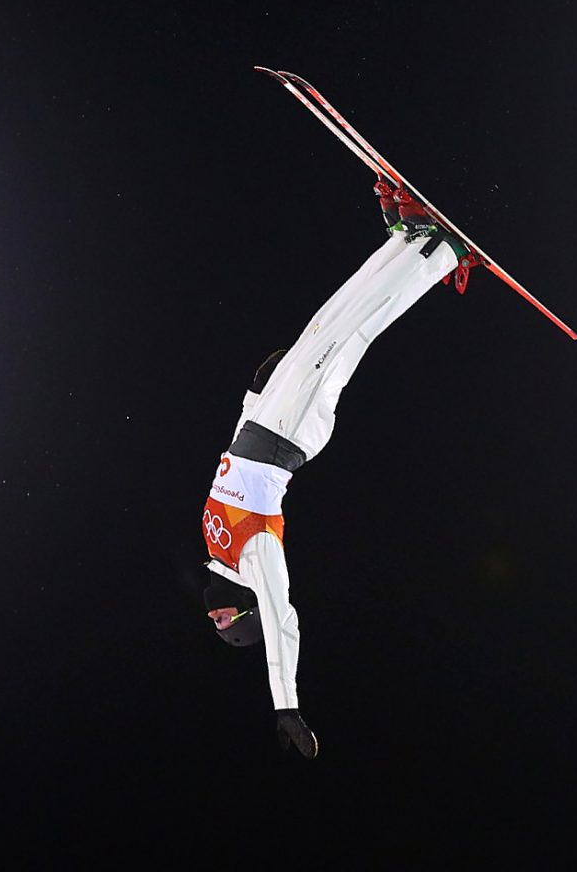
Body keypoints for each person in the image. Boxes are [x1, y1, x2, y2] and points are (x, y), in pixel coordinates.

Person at [201, 182, 476, 758]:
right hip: (290, 432)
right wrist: (286, 707)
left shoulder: (215, 543)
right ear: (247, 610)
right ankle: (444, 255)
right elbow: (284, 626)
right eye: (230, 620)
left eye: (217, 620)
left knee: (329, 321)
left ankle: (406, 241)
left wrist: (252, 396)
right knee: (354, 332)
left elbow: (228, 460)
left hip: (267, 417)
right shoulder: (256, 559)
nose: (217, 613)